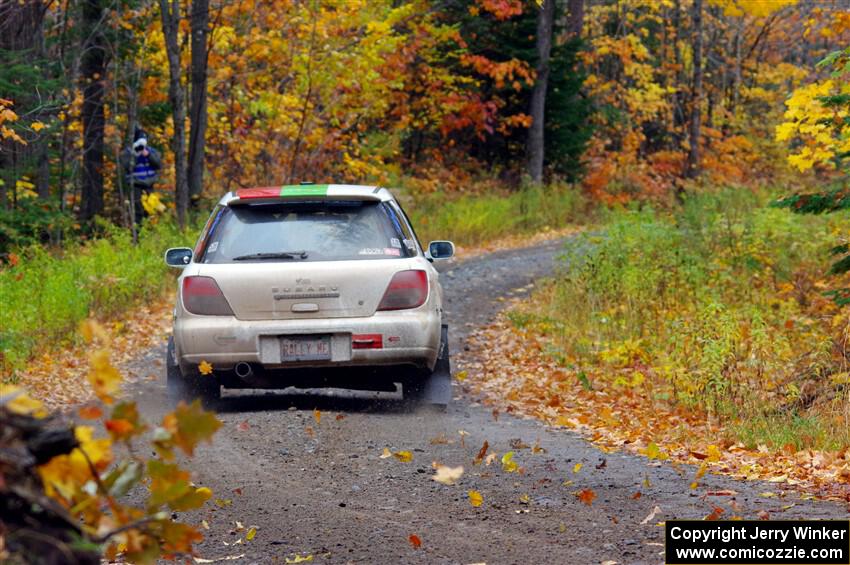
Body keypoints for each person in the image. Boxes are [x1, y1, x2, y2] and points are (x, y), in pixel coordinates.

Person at [120, 128, 162, 225]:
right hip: (136, 185)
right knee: (138, 210)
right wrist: (136, 155)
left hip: (149, 186)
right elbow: (127, 166)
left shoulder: (151, 151)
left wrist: (148, 155)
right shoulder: (128, 152)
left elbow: (158, 165)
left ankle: (149, 231)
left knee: (151, 209)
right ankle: (137, 232)